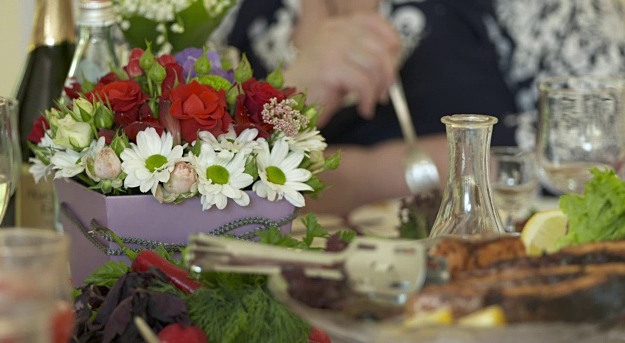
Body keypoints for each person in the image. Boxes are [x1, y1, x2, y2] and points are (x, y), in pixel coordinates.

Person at [211, 0, 625, 215]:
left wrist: (364, 176)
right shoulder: (225, 18)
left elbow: (603, 151)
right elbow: (201, 183)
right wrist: (292, 97)